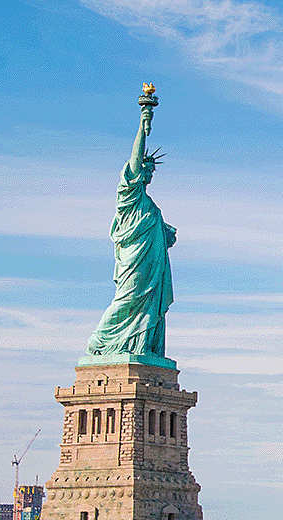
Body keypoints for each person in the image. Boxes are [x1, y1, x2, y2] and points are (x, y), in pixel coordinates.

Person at [86, 91, 176, 359]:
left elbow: (154, 228)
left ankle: (143, 348)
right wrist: (144, 121)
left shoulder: (148, 204)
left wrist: (164, 232)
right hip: (134, 262)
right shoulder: (129, 195)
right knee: (128, 298)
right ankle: (100, 341)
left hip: (151, 264)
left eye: (150, 170)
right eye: (145, 168)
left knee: (147, 306)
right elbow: (136, 157)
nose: (147, 172)